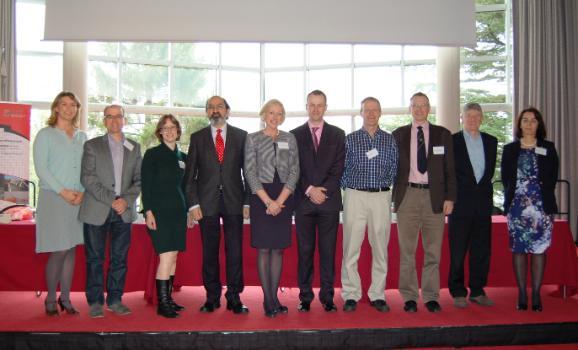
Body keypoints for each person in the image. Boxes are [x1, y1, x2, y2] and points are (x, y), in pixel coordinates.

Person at [184, 96, 250, 314]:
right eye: (211, 107)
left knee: (234, 252)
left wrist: (248, 201)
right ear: (206, 112)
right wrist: (193, 204)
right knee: (209, 253)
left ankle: (234, 297)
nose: (215, 111)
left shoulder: (241, 136)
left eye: (219, 107)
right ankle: (212, 297)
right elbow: (190, 175)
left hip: (234, 201)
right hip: (206, 203)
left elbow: (248, 173)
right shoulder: (197, 138)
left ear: (227, 111)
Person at [392, 92, 456, 313]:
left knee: (433, 251)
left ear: (429, 109)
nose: (419, 109)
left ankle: (430, 296)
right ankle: (409, 296)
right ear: (410, 109)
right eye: (415, 106)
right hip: (407, 195)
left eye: (423, 106)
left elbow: (450, 170)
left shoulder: (443, 134)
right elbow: (390, 168)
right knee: (406, 250)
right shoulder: (398, 135)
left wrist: (450, 198)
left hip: (434, 197)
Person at [79, 104, 142, 318]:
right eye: (109, 117)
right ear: (104, 120)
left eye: (118, 116)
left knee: (119, 259)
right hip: (97, 210)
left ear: (124, 120)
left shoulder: (134, 147)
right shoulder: (92, 146)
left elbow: (139, 180)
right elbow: (87, 178)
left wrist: (125, 200)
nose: (114, 120)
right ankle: (95, 301)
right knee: (95, 258)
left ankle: (115, 299)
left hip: (123, 211)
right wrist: (112, 199)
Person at [340, 97, 398, 313]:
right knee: (351, 247)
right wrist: (350, 188)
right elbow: (342, 168)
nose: (371, 114)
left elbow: (395, 167)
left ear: (380, 113)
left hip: (381, 197)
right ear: (361, 113)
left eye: (375, 110)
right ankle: (351, 294)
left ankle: (377, 294)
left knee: (381, 248)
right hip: (355, 196)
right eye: (367, 110)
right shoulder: (350, 139)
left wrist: (383, 189)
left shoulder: (389, 140)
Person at [290, 90, 345, 312]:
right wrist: (310, 189)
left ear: (325, 107)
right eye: (311, 105)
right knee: (304, 251)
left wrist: (323, 191)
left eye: (319, 105)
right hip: (303, 202)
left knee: (328, 251)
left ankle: (327, 296)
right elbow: (293, 168)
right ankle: (305, 297)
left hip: (329, 202)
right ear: (306, 106)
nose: (315, 109)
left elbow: (339, 168)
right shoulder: (294, 135)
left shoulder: (338, 134)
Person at [244, 99, 299, 318]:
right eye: (271, 113)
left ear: (282, 116)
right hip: (261, 198)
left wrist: (281, 200)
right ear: (263, 114)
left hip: (284, 196)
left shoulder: (290, 138)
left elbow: (295, 171)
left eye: (279, 113)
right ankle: (268, 300)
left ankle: (274, 297)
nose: (274, 117)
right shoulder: (253, 139)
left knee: (278, 249)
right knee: (264, 249)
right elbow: (249, 173)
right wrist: (269, 202)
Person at [33, 91, 87, 316]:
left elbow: (87, 168)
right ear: (56, 108)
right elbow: (41, 170)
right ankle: (50, 297)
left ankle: (65, 298)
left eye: (73, 105)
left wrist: (82, 193)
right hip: (54, 198)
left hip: (77, 199)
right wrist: (63, 192)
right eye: (64, 104)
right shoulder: (45, 135)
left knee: (71, 249)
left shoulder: (82, 136)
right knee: (60, 249)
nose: (68, 108)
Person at [501, 107, 558, 312]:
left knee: (539, 249)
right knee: (519, 249)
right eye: (525, 120)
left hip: (541, 207)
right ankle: (522, 293)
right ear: (519, 124)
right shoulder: (510, 149)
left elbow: (552, 177)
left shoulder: (548, 148)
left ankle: (535, 293)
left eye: (533, 120)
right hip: (517, 207)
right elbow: (506, 178)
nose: (529, 124)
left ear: (539, 124)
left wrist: (538, 198)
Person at [141, 114, 192, 318]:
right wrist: (148, 211)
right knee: (166, 256)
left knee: (174, 257)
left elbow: (186, 188)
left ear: (178, 131)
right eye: (165, 128)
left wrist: (189, 211)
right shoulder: (152, 154)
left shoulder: (184, 157)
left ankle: (168, 298)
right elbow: (146, 185)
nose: (169, 131)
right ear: (160, 132)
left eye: (173, 127)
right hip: (159, 212)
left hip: (179, 212)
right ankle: (162, 304)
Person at [448, 103, 497, 308]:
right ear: (462, 118)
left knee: (481, 249)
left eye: (477, 116)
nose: (473, 119)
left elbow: (489, 174)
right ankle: (457, 290)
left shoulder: (491, 141)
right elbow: (448, 173)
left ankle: (477, 290)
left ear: (482, 118)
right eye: (469, 116)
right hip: (460, 204)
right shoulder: (452, 141)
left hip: (483, 204)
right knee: (458, 250)